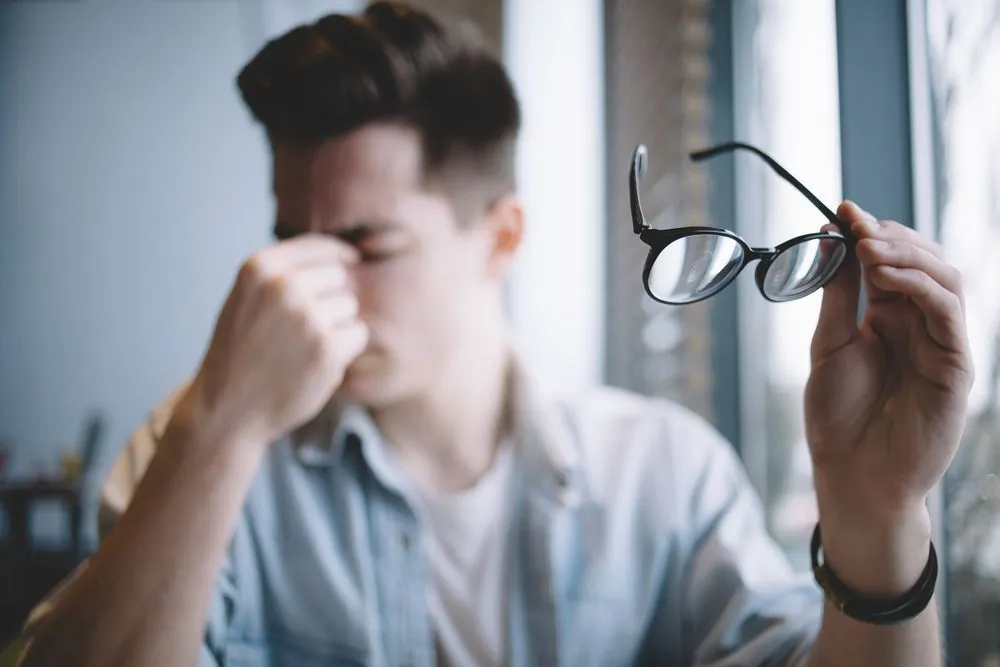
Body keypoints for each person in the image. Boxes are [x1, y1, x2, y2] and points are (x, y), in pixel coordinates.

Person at [17, 2, 973, 666]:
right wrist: (217, 430)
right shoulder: (197, 449)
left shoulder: (664, 480)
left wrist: (878, 513)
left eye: (363, 243)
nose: (298, 294)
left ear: (500, 236)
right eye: (286, 245)